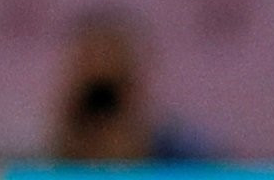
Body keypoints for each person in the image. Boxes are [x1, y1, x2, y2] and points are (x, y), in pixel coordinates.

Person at [43, 10, 214, 165]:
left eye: (109, 96)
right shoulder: (34, 172)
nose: (102, 117)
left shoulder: (190, 168)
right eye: (95, 96)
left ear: (135, 86)